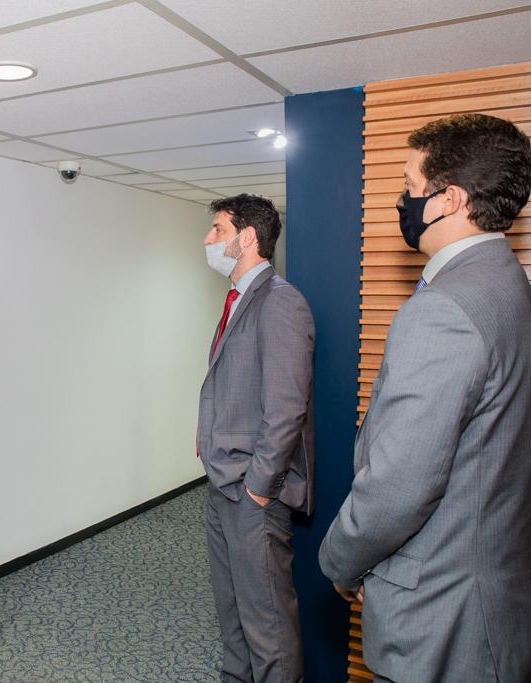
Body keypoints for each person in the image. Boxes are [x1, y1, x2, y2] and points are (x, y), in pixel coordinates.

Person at [319, 113, 531, 683]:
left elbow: (400, 485)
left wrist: (340, 560)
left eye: (409, 185)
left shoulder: (444, 308)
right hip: (495, 605)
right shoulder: (511, 290)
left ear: (449, 199)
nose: (401, 201)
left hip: (445, 616)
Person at [197, 194, 315, 683]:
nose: (208, 239)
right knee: (232, 611)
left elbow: (286, 409)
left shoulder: (280, 302)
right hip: (221, 482)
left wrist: (258, 489)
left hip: (252, 491)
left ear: (247, 238)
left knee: (267, 625)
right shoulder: (238, 299)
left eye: (218, 230)